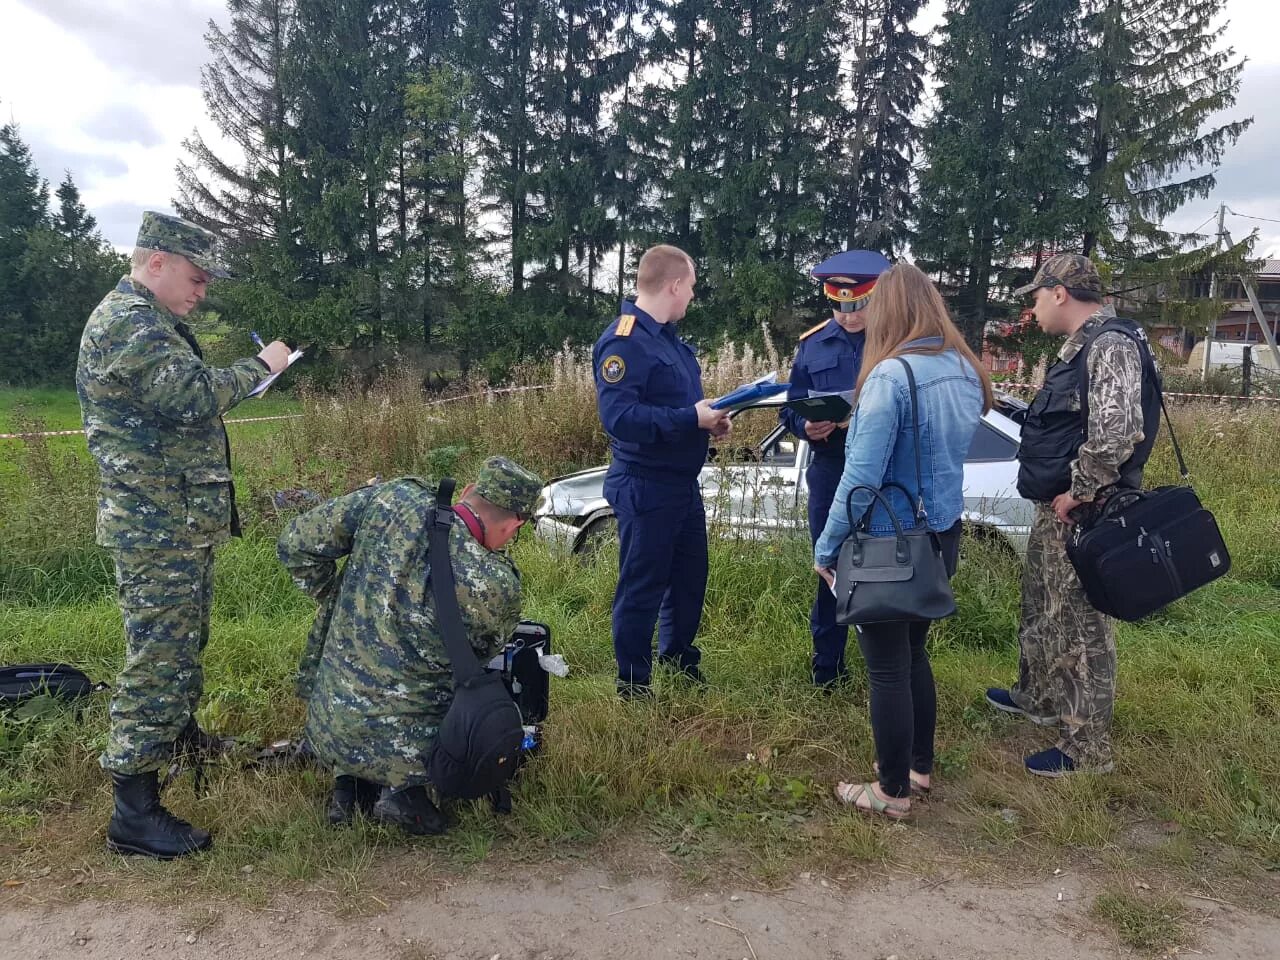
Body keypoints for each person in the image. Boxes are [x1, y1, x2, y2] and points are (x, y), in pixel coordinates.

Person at [77, 211, 290, 860]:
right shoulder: (129, 325)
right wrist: (262, 365)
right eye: (196, 279)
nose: (202, 293)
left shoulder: (151, 321)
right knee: (157, 659)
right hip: (155, 526)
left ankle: (180, 739)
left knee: (183, 643)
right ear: (157, 263)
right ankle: (133, 812)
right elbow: (195, 395)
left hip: (175, 521)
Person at [278, 457, 544, 835]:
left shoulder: (392, 498)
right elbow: (481, 657)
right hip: (408, 750)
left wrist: (336, 598)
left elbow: (295, 544)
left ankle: (349, 785)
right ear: (515, 524)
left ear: (469, 490)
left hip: (326, 723)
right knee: (471, 686)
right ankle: (401, 790)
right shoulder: (497, 584)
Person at [813, 263, 992, 819]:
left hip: (889, 544)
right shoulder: (964, 368)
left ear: (889, 311)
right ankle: (918, 766)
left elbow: (861, 479)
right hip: (941, 536)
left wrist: (826, 547)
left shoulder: (891, 377)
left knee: (886, 667)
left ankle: (891, 793)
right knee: (914, 654)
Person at [986, 254, 1161, 777]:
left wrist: (1079, 491)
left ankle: (1087, 751)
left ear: (1060, 292)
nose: (1033, 308)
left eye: (1036, 296)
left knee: (1081, 626)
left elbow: (1115, 431)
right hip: (1057, 507)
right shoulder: (1080, 348)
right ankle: (1038, 698)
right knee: (1042, 606)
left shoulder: (1109, 344)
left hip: (1085, 510)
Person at [592, 244, 731, 699]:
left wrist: (709, 423)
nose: (692, 296)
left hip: (680, 486)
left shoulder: (669, 340)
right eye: (690, 287)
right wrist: (691, 419)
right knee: (643, 586)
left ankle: (679, 663)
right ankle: (632, 684)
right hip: (645, 486)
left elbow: (676, 409)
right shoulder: (624, 341)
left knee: (690, 580)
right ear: (673, 285)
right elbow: (621, 418)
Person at [780, 249, 891, 688]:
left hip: (882, 471)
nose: (848, 316)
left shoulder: (891, 343)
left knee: (881, 563)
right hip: (830, 467)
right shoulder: (812, 344)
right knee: (830, 565)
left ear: (875, 299)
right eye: (839, 306)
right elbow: (789, 409)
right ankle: (827, 666)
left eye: (857, 305)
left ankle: (885, 661)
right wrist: (805, 425)